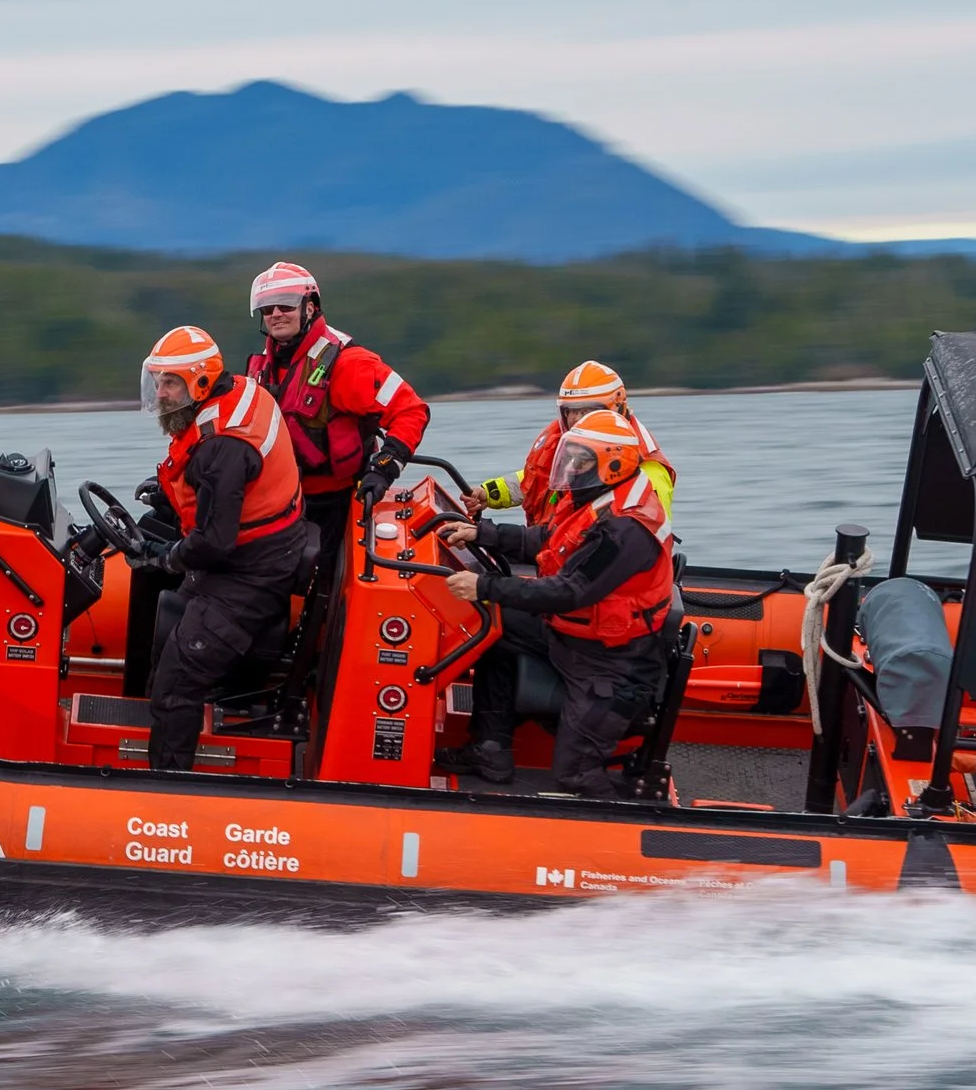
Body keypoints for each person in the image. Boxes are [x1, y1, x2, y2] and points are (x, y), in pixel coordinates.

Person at [441, 409, 677, 796]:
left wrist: (485, 586)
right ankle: (490, 749)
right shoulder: (595, 499)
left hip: (612, 662)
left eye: (581, 461)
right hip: (571, 634)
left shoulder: (625, 528)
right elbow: (548, 538)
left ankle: (621, 828)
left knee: (576, 774)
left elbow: (569, 591)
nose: (571, 467)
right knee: (493, 629)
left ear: (612, 464)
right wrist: (479, 533)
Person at [138, 324, 308, 772]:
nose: (161, 393)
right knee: (167, 647)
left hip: (253, 570)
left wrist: (168, 557)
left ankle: (167, 791)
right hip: (264, 548)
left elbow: (214, 542)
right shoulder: (240, 391)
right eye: (157, 381)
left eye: (170, 383)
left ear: (198, 382)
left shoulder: (222, 446)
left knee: (177, 683)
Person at [244, 261, 432, 559]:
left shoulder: (348, 363)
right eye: (268, 309)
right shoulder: (264, 366)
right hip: (280, 499)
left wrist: (383, 470)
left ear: (309, 307)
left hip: (333, 501)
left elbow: (412, 411)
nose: (276, 314)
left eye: (286, 305)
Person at [471, 361, 674, 529]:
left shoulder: (645, 466)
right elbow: (539, 479)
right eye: (571, 411)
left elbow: (642, 533)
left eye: (586, 411)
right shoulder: (577, 443)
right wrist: (491, 492)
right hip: (553, 552)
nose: (577, 420)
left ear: (616, 408)